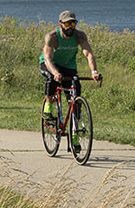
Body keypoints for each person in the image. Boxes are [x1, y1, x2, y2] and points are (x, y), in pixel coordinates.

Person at [39, 10, 101, 150]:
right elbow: (48, 59)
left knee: (75, 102)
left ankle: (75, 137)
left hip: (69, 67)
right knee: (52, 79)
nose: (70, 26)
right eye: (67, 23)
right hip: (50, 64)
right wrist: (55, 72)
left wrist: (94, 72)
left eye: (73, 23)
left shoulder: (79, 36)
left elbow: (88, 54)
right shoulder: (52, 37)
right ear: (60, 24)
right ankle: (48, 107)